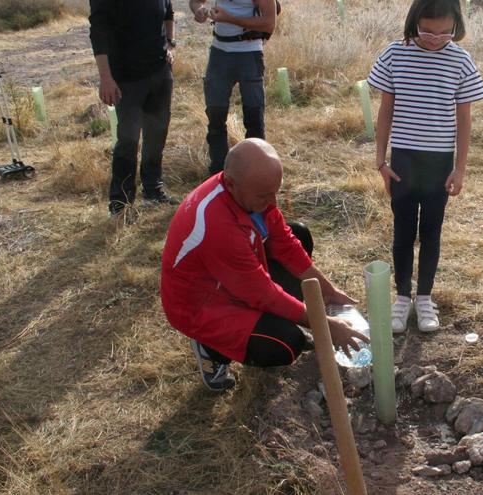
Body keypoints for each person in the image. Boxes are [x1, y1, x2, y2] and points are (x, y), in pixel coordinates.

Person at [161, 138, 368, 391]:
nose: (272, 202)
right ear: (231, 183)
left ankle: (270, 321)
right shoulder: (215, 224)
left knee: (299, 234)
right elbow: (262, 293)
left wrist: (328, 290)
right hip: (202, 305)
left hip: (235, 276)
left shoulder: (251, 189)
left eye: (275, 192)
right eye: (264, 196)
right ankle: (211, 350)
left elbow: (285, 244)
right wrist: (325, 324)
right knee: (285, 344)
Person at [367, 0, 483, 334]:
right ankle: (402, 297)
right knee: (403, 230)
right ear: (413, 21)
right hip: (404, 159)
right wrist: (381, 161)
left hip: (439, 161)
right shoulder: (394, 55)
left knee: (431, 231)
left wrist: (460, 168)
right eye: (427, 31)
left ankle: (424, 297)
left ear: (456, 26)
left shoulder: (459, 59)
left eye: (444, 32)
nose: (435, 38)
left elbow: (464, 118)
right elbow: (385, 111)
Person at [89, 0, 179, 217]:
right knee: (128, 141)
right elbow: (98, 33)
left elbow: (168, 12)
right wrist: (106, 78)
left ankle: (152, 189)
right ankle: (120, 203)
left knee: (157, 134)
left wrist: (169, 43)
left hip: (159, 71)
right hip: (126, 79)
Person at [189, 0, 278, 176]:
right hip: (219, 52)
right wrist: (199, 10)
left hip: (249, 53)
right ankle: (218, 173)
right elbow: (195, 2)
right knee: (215, 117)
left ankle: (255, 173)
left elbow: (269, 22)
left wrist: (230, 19)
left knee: (254, 119)